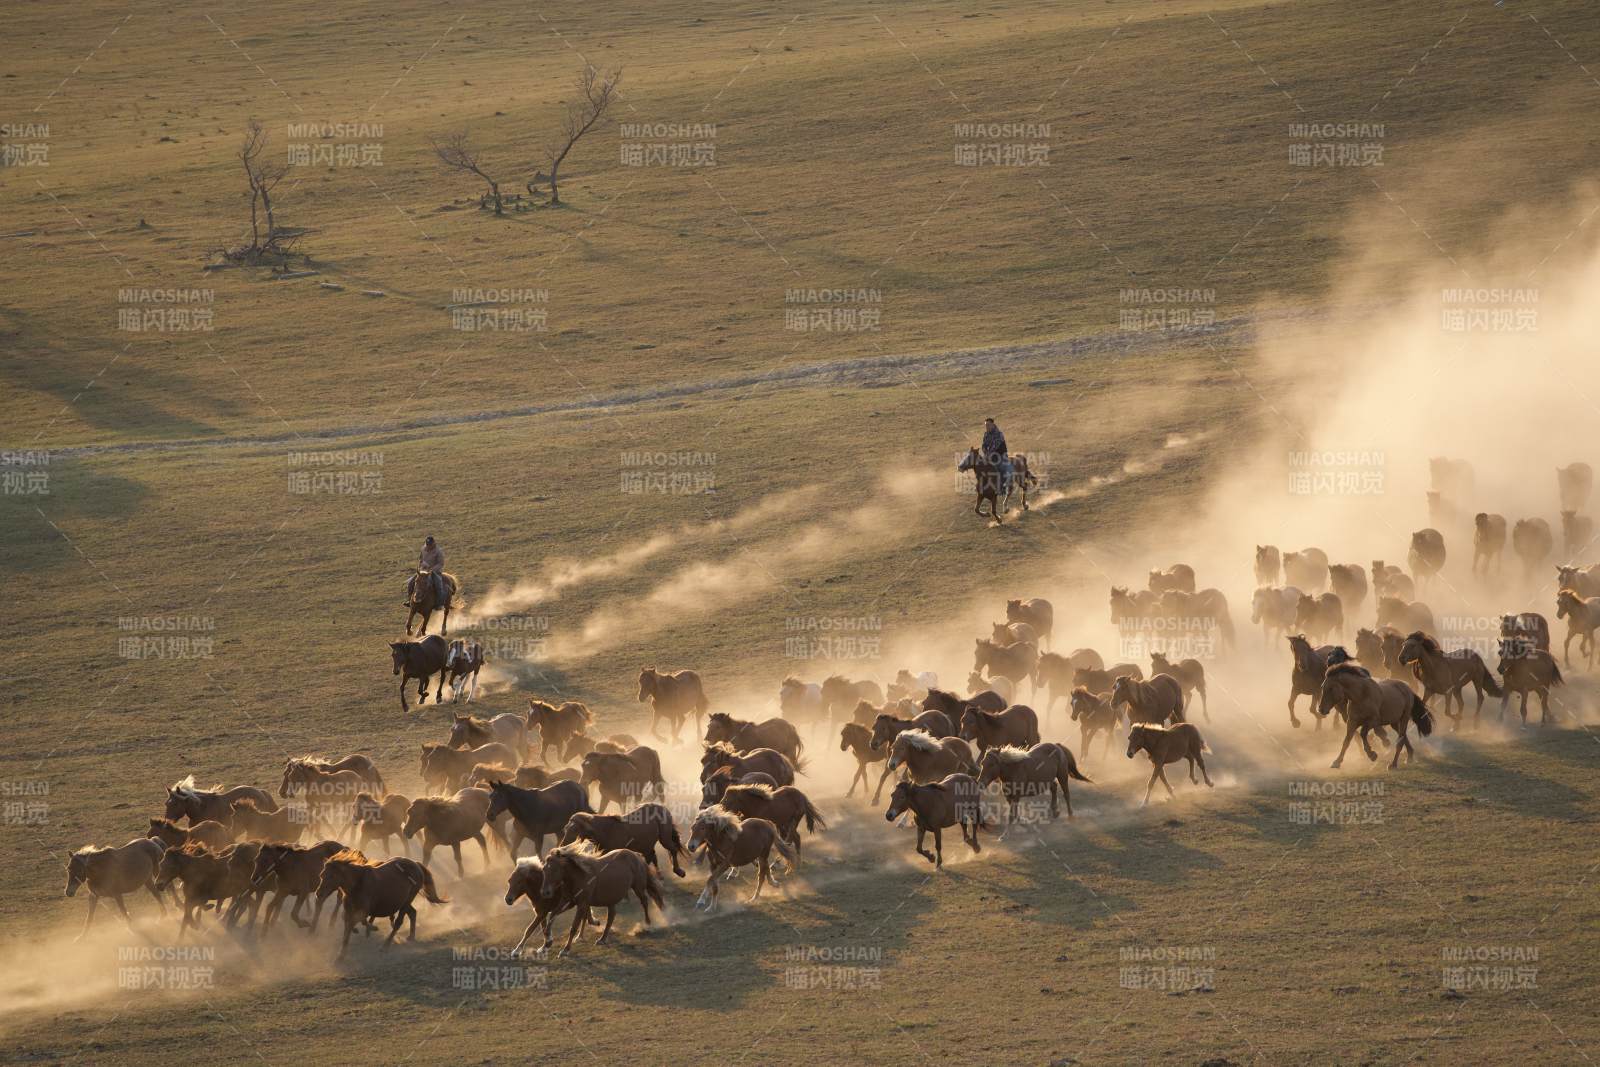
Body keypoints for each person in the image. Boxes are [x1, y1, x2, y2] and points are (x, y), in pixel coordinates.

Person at [405, 536, 446, 605]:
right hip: (422, 571)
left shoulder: (439, 551)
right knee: (410, 582)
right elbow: (420, 559)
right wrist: (421, 564)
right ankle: (409, 600)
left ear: (433, 543)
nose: (428, 546)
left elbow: (440, 563)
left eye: (430, 545)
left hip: (434, 572)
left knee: (438, 584)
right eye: (427, 545)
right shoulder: (423, 548)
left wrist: (432, 569)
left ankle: (439, 603)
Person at [981, 417, 1013, 492]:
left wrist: (988, 454)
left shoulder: (999, 434)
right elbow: (984, 445)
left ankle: (1002, 487)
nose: (987, 427)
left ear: (993, 425)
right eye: (986, 425)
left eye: (988, 425)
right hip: (991, 456)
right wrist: (985, 451)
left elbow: (995, 446)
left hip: (1001, 456)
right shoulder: (986, 434)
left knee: (999, 468)